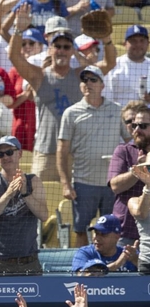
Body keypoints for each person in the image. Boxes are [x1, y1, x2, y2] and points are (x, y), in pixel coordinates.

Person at [8, 3, 115, 182]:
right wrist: (18, 30)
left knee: (73, 206)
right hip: (45, 153)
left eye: (67, 46)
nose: (62, 50)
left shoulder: (82, 75)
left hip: (77, 154)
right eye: (58, 46)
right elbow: (14, 57)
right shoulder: (38, 76)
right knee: (39, 204)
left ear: (72, 50)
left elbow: (109, 63)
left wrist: (107, 39)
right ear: (50, 48)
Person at [57, 65, 129, 247]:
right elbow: (62, 151)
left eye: (93, 79)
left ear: (102, 85)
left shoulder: (117, 110)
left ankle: (112, 267)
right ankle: (84, 265)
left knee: (114, 229)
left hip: (112, 184)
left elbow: (131, 142)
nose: (88, 83)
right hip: (83, 183)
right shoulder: (71, 113)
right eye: (84, 80)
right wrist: (66, 184)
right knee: (81, 229)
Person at [0, 136, 48, 276]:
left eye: (9, 152)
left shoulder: (33, 181)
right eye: (0, 154)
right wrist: (8, 194)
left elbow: (43, 215)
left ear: (20, 153)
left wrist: (25, 193)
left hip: (29, 260)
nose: (5, 157)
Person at [108, 105, 150, 247]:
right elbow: (115, 186)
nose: (137, 130)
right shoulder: (123, 151)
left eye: (143, 126)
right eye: (134, 125)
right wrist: (137, 171)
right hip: (126, 233)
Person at [7, 28, 44, 151]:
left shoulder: (47, 71)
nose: (27, 47)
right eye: (23, 44)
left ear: (41, 46)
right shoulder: (14, 71)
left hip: (41, 127)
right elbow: (10, 104)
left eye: (31, 43)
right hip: (20, 128)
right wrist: (26, 94)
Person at [70, 214, 138, 273]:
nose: (97, 238)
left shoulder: (128, 253)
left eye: (103, 234)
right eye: (96, 233)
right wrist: (116, 264)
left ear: (117, 236)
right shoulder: (85, 252)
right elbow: (80, 275)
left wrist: (136, 261)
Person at [103, 25, 150, 109]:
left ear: (148, 43)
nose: (138, 44)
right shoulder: (113, 65)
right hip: (120, 118)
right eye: (133, 41)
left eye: (142, 41)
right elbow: (106, 97)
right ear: (125, 44)